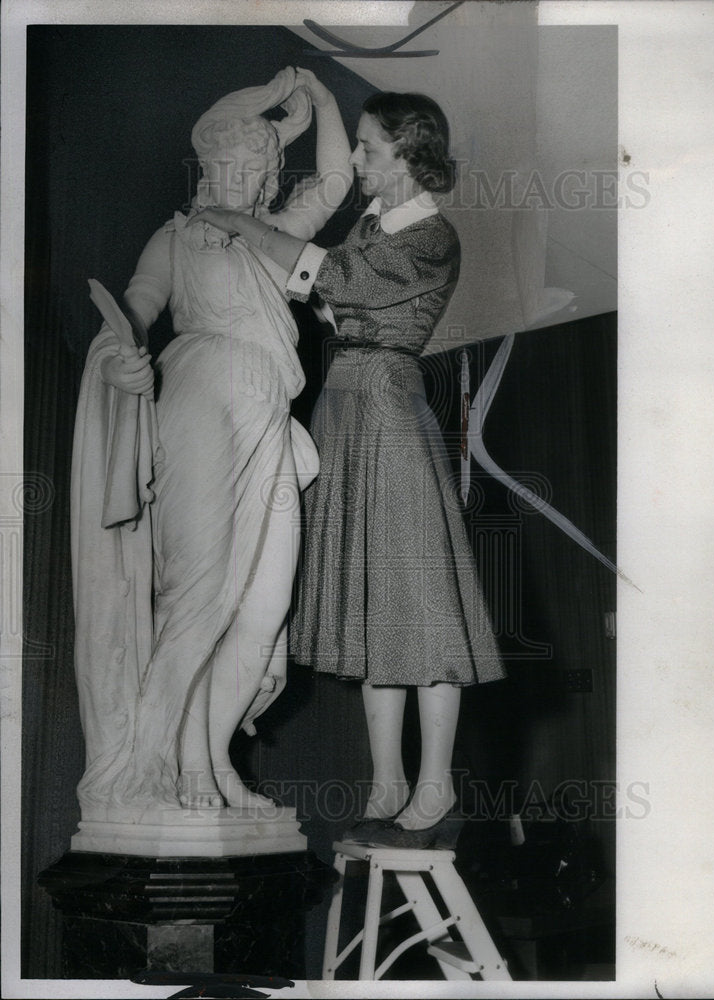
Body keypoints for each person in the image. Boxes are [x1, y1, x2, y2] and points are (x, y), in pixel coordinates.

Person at [193, 91, 505, 848]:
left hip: (390, 410)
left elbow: (332, 278)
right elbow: (323, 292)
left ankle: (434, 786)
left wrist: (239, 223)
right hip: (342, 406)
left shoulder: (432, 235)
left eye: (368, 147)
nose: (357, 159)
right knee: (374, 606)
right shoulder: (374, 224)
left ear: (408, 153)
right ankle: (387, 783)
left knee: (417, 603)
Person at [71, 66, 352, 819]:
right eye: (229, 164)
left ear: (265, 180)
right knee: (199, 596)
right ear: (208, 169)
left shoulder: (271, 239)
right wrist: (123, 348)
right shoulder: (176, 236)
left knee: (263, 613)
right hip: (199, 401)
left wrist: (322, 100)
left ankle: (215, 754)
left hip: (269, 416)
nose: (241, 177)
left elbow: (332, 182)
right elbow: (138, 302)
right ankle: (176, 762)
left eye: (256, 168)